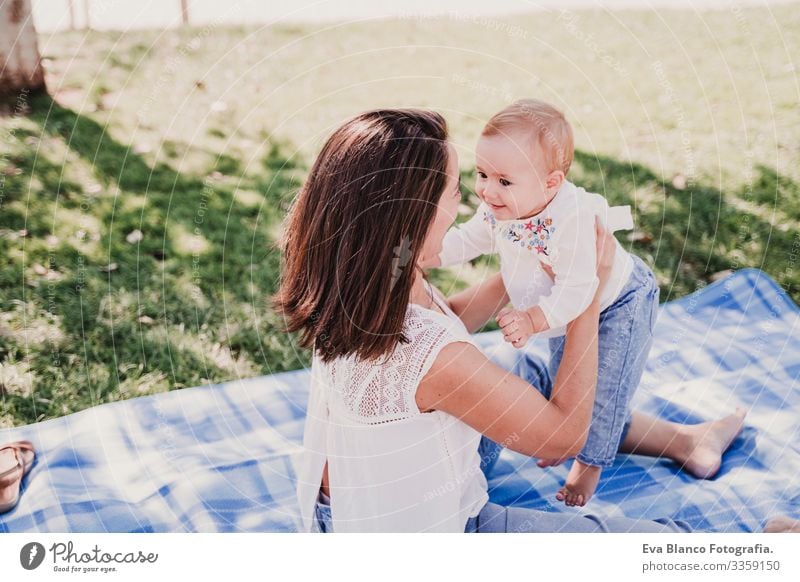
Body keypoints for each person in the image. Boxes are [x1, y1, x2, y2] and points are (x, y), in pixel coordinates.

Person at [273, 108, 792, 534]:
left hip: (351, 503)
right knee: (619, 544)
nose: (476, 198)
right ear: (415, 215)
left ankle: (684, 441)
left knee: (533, 375)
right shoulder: (433, 357)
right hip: (426, 533)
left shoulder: (361, 279)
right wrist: (586, 289)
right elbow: (560, 438)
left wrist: (534, 252)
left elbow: (445, 316)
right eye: (458, 189)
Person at [434, 98, 743, 507]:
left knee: (602, 392)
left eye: (504, 181)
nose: (488, 190)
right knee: (566, 385)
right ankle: (689, 441)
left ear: (551, 183)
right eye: (482, 174)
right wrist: (429, 253)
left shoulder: (573, 221)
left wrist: (532, 319)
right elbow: (469, 240)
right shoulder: (499, 207)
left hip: (617, 304)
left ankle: (587, 468)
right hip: (560, 310)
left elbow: (580, 290)